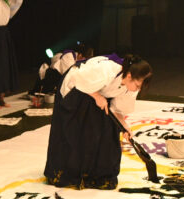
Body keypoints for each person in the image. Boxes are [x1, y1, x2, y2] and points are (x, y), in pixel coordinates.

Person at [44, 54, 153, 190]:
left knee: (110, 131)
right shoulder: (107, 69)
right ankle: (68, 173)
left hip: (98, 94)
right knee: (78, 131)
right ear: (130, 75)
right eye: (137, 85)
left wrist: (125, 127)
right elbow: (78, 79)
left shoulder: (131, 87)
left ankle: (99, 176)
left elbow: (116, 110)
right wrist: (96, 96)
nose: (138, 89)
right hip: (75, 89)